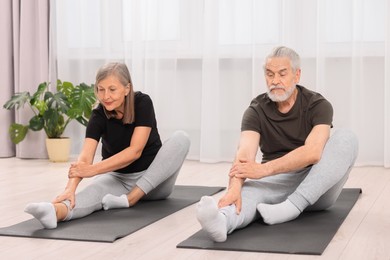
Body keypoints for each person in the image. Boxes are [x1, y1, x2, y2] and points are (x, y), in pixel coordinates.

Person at [196, 46, 358, 242]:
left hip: (315, 184)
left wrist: (263, 170)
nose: (274, 81)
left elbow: (313, 152)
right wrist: (234, 188)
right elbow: (245, 153)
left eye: (282, 74)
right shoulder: (256, 110)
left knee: (347, 137)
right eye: (269, 74)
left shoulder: (318, 104)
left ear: (297, 75)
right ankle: (222, 222)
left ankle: (292, 207)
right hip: (275, 183)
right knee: (245, 196)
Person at [24, 62, 190, 229]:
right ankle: (54, 212)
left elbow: (135, 151)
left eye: (112, 89)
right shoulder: (98, 115)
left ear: (127, 89)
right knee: (92, 192)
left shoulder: (142, 103)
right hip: (118, 179)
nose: (105, 96)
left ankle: (130, 199)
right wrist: (70, 188)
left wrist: (93, 170)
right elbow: (85, 157)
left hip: (155, 182)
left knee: (181, 138)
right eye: (100, 89)